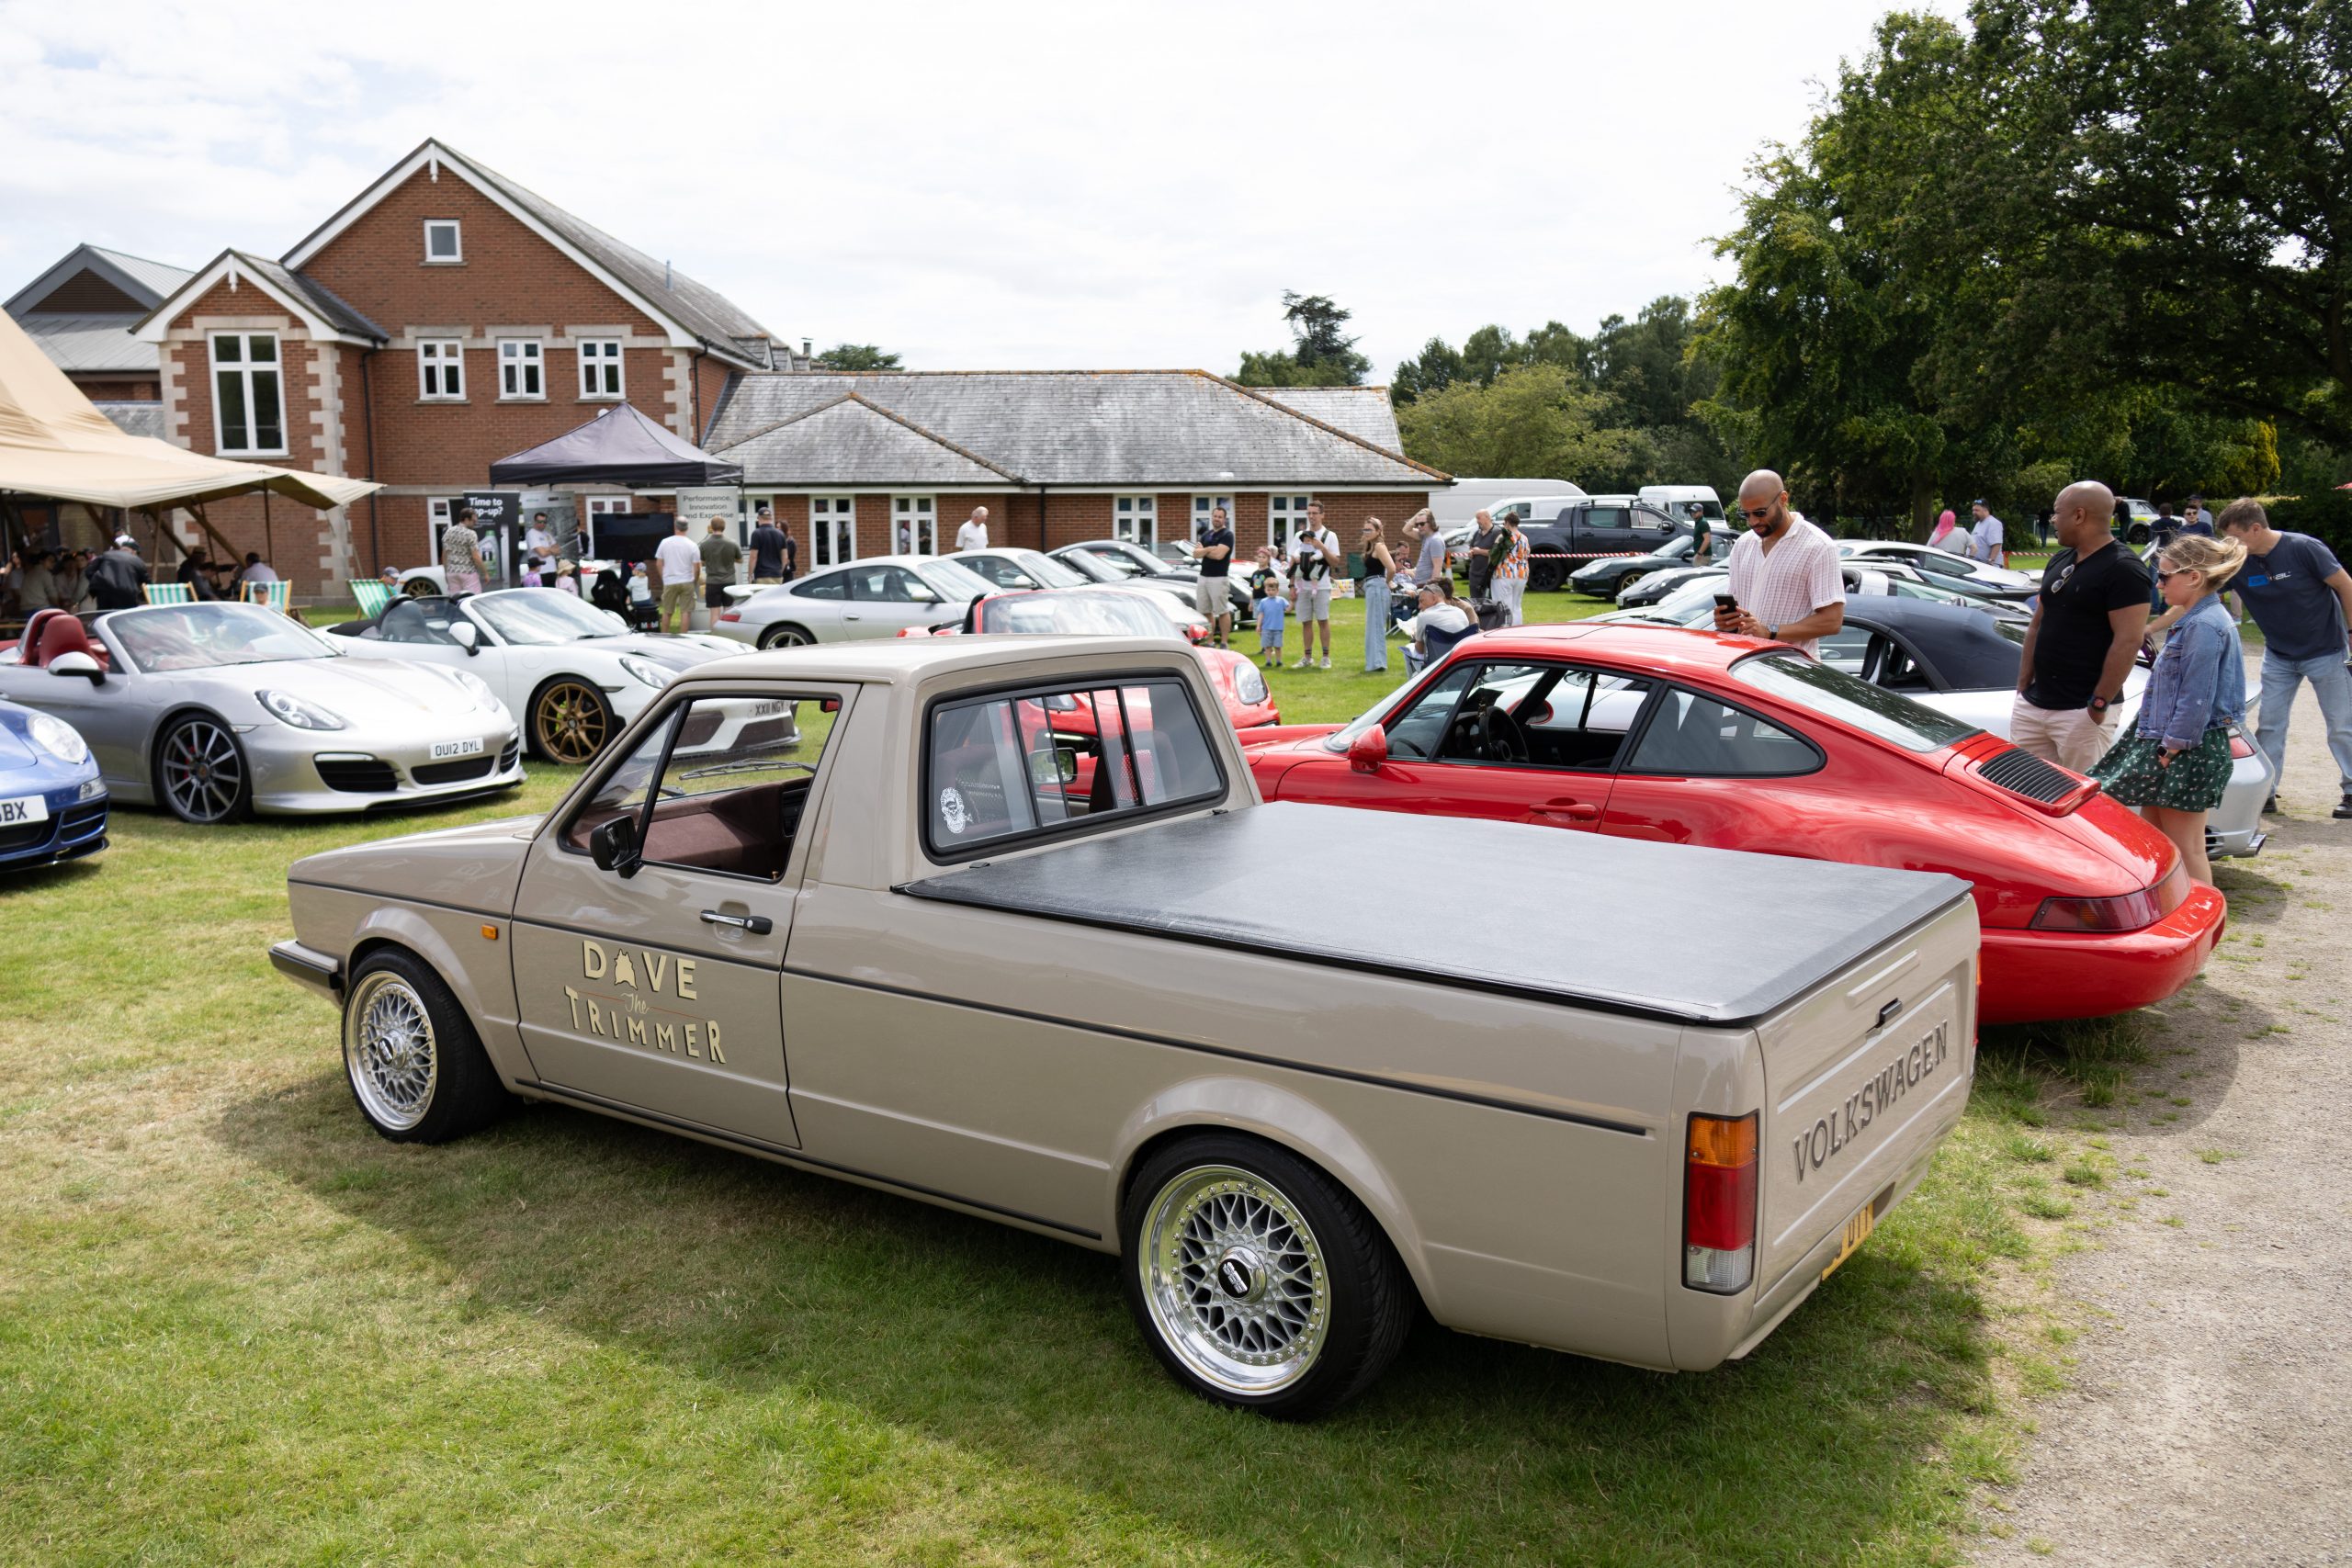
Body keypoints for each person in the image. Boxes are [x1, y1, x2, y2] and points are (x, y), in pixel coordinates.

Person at [2089, 534, 2250, 884]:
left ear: (2194, 577)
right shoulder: (2199, 620)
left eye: (2164, 576)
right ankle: (2173, 916)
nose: (2157, 584)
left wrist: (2170, 749)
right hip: (2175, 747)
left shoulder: (2205, 626)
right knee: (2156, 841)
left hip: (2184, 750)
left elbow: (2196, 697)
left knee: (2186, 846)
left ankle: (2203, 921)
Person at [2180, 499, 2352, 819]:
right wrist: (2154, 627)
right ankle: (2265, 792)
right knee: (2270, 726)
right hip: (2278, 655)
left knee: (2342, 725)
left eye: (2234, 537)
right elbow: (2199, 594)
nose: (2229, 545)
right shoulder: (2239, 561)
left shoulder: (2304, 548)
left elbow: (2345, 585)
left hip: (2326, 650)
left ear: (2256, 529)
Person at [2012, 480, 2151, 773]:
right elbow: (2037, 624)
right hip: (2035, 703)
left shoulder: (2124, 569)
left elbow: (2128, 641)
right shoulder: (2061, 558)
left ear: (2078, 515)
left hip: (2081, 710)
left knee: (2079, 805)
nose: (2052, 520)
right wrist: (2024, 685)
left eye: (2056, 512)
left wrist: (2098, 703)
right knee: (2025, 795)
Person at [1713, 470, 1845, 656]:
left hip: (1790, 674)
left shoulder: (1819, 546)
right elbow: (1740, 613)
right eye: (1746, 514)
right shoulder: (1743, 544)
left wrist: (1769, 632)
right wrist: (1725, 621)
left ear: (1783, 499)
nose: (1753, 521)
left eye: (1760, 512)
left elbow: (1832, 621)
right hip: (1742, 666)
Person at [1289, 501, 1340, 670]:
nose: (1311, 516)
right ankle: (1307, 657)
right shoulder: (1299, 535)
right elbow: (1292, 561)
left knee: (1323, 621)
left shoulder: (1329, 536)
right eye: (1309, 513)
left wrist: (1322, 548)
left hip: (1322, 585)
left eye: (1315, 513)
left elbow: (1335, 561)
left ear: (1322, 515)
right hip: (1303, 585)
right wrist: (1291, 586)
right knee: (1305, 622)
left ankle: (1326, 657)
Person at [1187, 504, 1235, 649]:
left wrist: (1203, 551)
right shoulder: (1206, 535)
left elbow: (1219, 555)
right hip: (1203, 577)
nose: (1217, 519)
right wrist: (1208, 549)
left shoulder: (1227, 535)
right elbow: (1195, 554)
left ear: (1224, 519)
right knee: (1205, 610)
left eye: (1220, 517)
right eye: (1215, 516)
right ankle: (1210, 641)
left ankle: (1224, 643)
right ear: (1212, 517)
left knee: (1222, 611)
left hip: (1219, 578)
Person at [1398, 581, 1472, 673]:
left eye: (1422, 601)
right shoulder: (1460, 612)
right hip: (1459, 663)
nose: (1419, 606)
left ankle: (1413, 686)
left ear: (1434, 598)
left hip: (1436, 665)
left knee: (1408, 648)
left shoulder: (1423, 616)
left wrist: (1416, 635)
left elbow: (1420, 650)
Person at [653, 516, 704, 634]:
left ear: (675, 527)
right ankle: (683, 638)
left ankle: (664, 637)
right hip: (687, 581)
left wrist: (664, 578)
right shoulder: (692, 545)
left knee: (667, 611)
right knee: (686, 611)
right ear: (687, 528)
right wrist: (694, 580)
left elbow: (659, 563)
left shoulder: (664, 542)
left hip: (670, 581)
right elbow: (697, 568)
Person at [1358, 519, 1396, 673]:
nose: (1366, 532)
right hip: (1371, 586)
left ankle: (1378, 663)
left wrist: (1387, 582)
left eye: (1369, 529)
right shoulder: (1370, 547)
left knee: (1376, 626)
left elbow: (1392, 568)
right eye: (1364, 529)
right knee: (1372, 626)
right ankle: (1373, 662)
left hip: (1377, 586)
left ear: (1378, 530)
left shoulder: (1379, 546)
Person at [85, 535, 150, 611]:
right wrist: (141, 596)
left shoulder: (107, 554)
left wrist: (97, 580)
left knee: (103, 615)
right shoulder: (137, 561)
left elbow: (89, 571)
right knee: (125, 617)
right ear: (134, 551)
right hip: (127, 594)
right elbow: (147, 583)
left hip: (104, 591)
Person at [1489, 512, 1530, 626]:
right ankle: (1517, 629)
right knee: (1517, 605)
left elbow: (1494, 553)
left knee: (1504, 605)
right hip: (1522, 574)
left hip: (1504, 573)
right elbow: (1527, 553)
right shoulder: (1524, 538)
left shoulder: (1504, 536)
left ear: (1507, 523)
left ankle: (1505, 629)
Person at [698, 515, 741, 616]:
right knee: (728, 612)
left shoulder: (704, 544)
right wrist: (731, 558)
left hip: (712, 583)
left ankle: (715, 632)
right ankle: (726, 632)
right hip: (729, 581)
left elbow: (702, 562)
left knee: (714, 613)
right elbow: (740, 560)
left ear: (711, 527)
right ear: (724, 527)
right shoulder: (732, 543)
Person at [442, 507, 486, 596]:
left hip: (452, 573)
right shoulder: (471, 534)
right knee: (472, 599)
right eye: (473, 521)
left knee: (456, 601)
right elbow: (476, 557)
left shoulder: (449, 531)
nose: (475, 523)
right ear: (466, 519)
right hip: (468, 573)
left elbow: (444, 555)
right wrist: (485, 573)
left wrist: (446, 572)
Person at [1464, 510, 1501, 602]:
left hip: (1487, 575)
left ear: (1487, 517)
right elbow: (1472, 548)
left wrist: (1479, 551)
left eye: (1479, 518)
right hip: (1474, 574)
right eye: (1476, 518)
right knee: (1474, 601)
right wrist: (1471, 553)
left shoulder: (1497, 532)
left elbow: (1496, 553)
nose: (1477, 521)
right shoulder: (1477, 533)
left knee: (1486, 603)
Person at [1253, 578, 1287, 670]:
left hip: (1278, 628)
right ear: (1265, 590)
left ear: (1277, 590)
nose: (1271, 592)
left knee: (1278, 646)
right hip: (1266, 628)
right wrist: (1258, 625)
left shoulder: (1281, 600)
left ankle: (1279, 661)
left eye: (1273, 590)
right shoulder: (1263, 602)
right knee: (1267, 646)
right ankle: (1268, 661)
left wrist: (1292, 602)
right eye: (1268, 590)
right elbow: (1261, 614)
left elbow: (1288, 609)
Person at [749, 506, 788, 584]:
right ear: (771, 518)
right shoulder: (781, 534)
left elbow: (753, 557)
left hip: (762, 576)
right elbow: (785, 557)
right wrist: (780, 571)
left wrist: (750, 575)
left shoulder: (756, 533)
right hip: (777, 576)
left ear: (759, 518)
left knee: (762, 596)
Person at [1411, 509, 1448, 588]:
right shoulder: (1425, 536)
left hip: (1426, 585)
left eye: (1422, 524)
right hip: (1420, 584)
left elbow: (1437, 567)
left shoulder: (1435, 540)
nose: (1419, 527)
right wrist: (1417, 514)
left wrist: (1430, 587)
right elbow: (1405, 530)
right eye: (1417, 524)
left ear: (1431, 523)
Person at [1968, 500, 2006, 568]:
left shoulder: (1993, 523)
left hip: (1990, 568)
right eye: (1973, 510)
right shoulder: (1978, 523)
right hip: (1980, 566)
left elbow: (1996, 544)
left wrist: (1990, 562)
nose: (1974, 512)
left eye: (1977, 510)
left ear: (1985, 510)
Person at [1688, 502, 1713, 567]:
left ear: (1701, 512)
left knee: (1697, 575)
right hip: (1701, 554)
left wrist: (1699, 553)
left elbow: (1707, 540)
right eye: (1691, 511)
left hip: (1703, 555)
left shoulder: (1703, 523)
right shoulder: (1698, 522)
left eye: (1695, 512)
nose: (1692, 513)